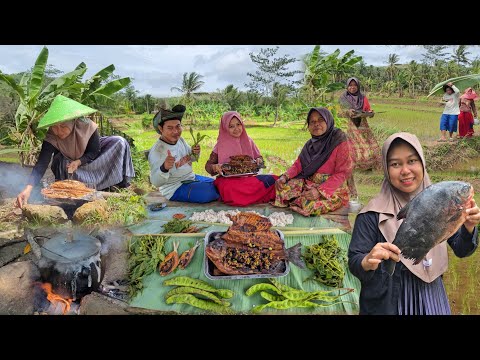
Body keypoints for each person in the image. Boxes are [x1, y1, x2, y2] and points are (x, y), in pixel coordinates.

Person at [348, 132, 479, 315]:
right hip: (388, 303)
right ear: (386, 169)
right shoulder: (371, 215)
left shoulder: (444, 203)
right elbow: (354, 261)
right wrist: (367, 261)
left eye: (412, 161)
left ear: (422, 164)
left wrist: (469, 227)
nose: (405, 171)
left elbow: (462, 249)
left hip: (432, 298)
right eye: (395, 164)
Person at [16, 95, 135, 208]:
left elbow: (94, 152)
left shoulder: (88, 127)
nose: (58, 131)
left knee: (120, 141)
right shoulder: (51, 137)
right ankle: (72, 190)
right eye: (54, 127)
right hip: (71, 166)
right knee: (60, 162)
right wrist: (28, 189)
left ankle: (119, 183)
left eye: (63, 126)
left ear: (73, 122)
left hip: (92, 160)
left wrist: (79, 161)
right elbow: (42, 163)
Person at [272, 107, 353, 216]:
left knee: (311, 205)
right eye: (312, 122)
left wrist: (319, 191)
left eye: (320, 120)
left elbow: (342, 173)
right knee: (283, 189)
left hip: (333, 187)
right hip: (310, 183)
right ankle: (299, 201)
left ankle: (301, 203)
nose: (316, 124)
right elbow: (299, 164)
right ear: (309, 126)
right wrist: (284, 177)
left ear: (328, 121)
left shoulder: (339, 140)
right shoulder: (310, 144)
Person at [148, 104, 219, 203]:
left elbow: (191, 159)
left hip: (191, 178)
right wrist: (164, 168)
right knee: (208, 193)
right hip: (174, 188)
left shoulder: (180, 140)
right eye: (170, 128)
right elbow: (156, 182)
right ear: (161, 128)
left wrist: (195, 153)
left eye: (178, 126)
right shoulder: (158, 151)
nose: (175, 131)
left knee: (218, 184)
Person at [205, 111, 278, 206]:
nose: (236, 129)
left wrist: (259, 161)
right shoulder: (220, 145)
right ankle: (255, 197)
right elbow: (208, 166)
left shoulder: (249, 141)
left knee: (273, 180)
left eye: (238, 124)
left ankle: (247, 198)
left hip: (247, 179)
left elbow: (259, 159)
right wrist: (216, 167)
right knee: (229, 189)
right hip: (229, 181)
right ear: (225, 128)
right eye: (231, 126)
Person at [339, 77, 382, 202]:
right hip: (349, 125)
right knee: (351, 148)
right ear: (347, 87)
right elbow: (339, 113)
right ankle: (353, 166)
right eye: (350, 85)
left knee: (368, 147)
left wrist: (370, 112)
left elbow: (368, 110)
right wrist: (348, 111)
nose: (352, 87)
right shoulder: (343, 98)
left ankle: (366, 165)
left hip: (362, 124)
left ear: (358, 86)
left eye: (355, 86)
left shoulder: (362, 98)